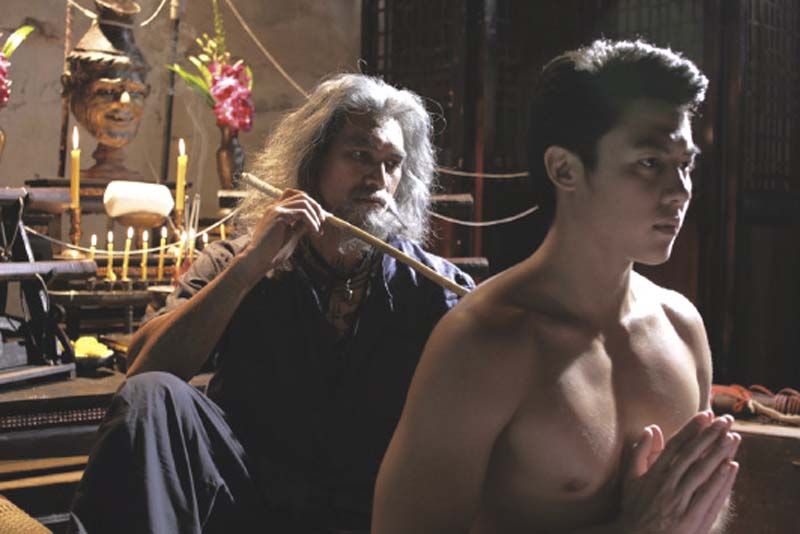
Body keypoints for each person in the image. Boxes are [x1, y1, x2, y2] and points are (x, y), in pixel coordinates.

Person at [68, 73, 474, 534]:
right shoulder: (239, 259)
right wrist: (247, 269)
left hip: (366, 509)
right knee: (152, 394)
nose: (378, 179)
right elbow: (144, 368)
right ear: (313, 162)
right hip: (244, 499)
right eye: (360, 155)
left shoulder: (432, 286)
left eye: (392, 163)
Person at [373, 39, 740, 534]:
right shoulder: (484, 342)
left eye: (686, 165)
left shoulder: (682, 327)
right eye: (650, 163)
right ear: (565, 169)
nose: (680, 192)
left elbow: (701, 515)